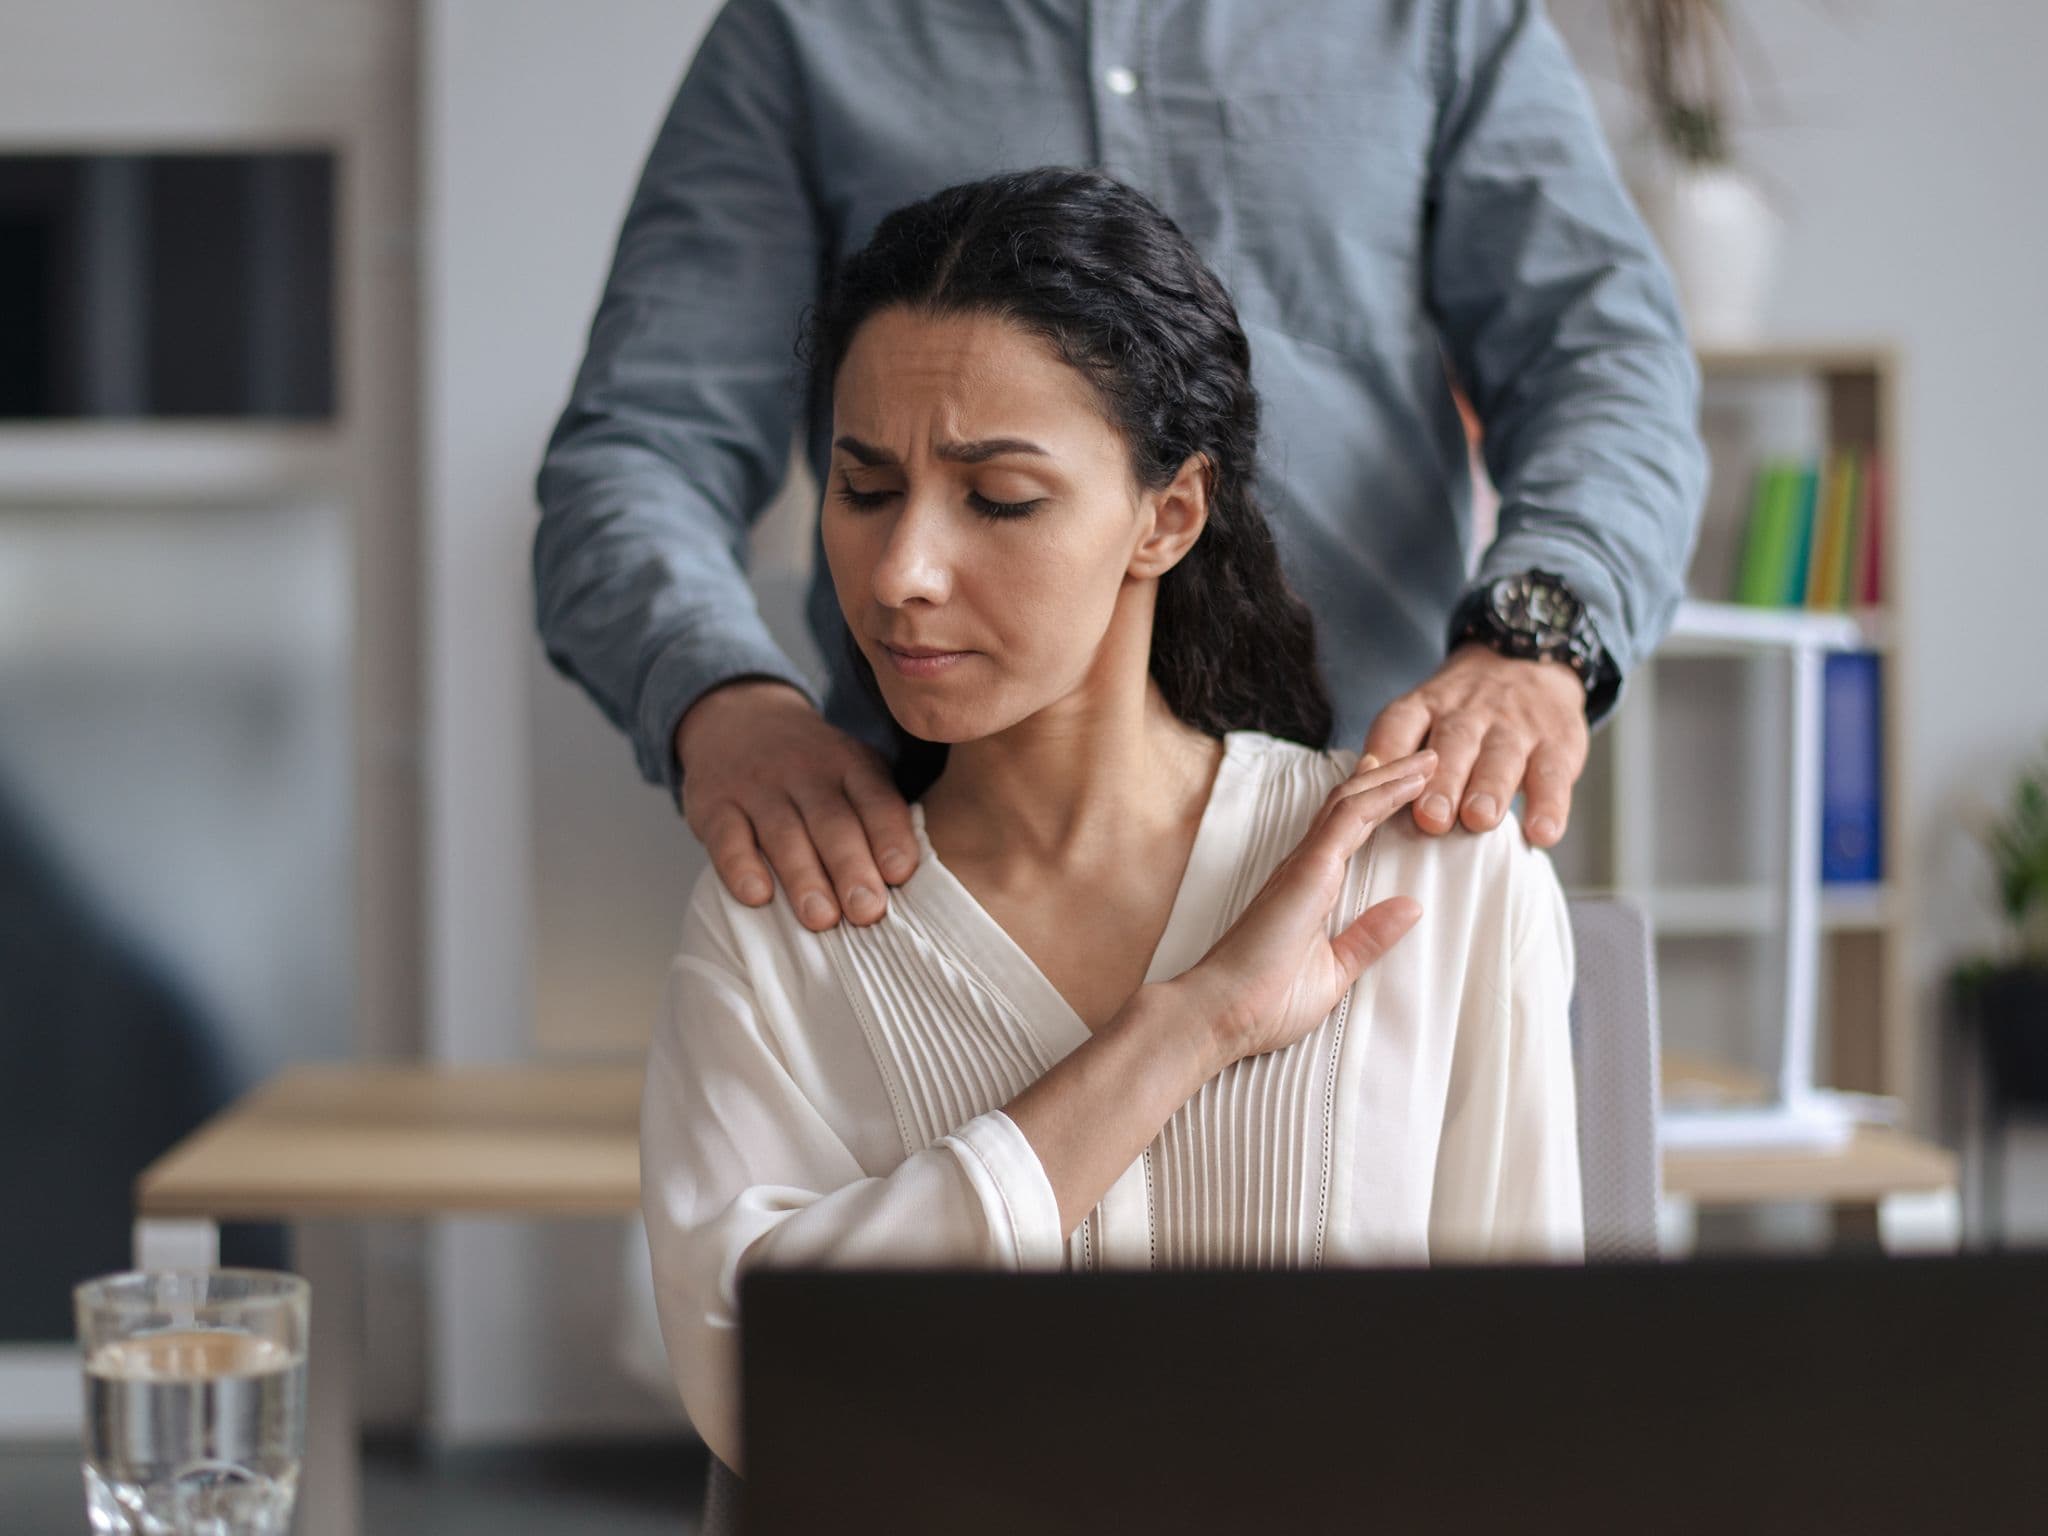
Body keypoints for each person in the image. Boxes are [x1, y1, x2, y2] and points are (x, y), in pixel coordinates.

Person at [639, 169, 1583, 1483]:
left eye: (999, 498)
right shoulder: (784, 916)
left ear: (1168, 515)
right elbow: (766, 1395)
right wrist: (1185, 1030)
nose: (904, 572)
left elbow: (1524, 1420)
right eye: (864, 491)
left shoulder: (1438, 868)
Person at [534, 0, 1707, 933]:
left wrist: (1533, 636)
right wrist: (721, 700)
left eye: (998, 493)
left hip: (1370, 843)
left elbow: (1604, 362)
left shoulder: (1439, 17)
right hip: (912, 889)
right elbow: (643, 444)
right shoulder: (800, 29)